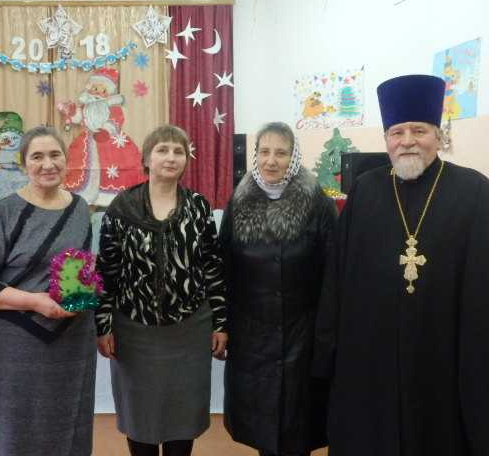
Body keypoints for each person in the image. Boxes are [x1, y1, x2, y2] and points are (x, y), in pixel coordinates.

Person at [313, 74, 489, 456]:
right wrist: (327, 351)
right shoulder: (365, 190)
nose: (407, 140)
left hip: (442, 356)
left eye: (419, 130)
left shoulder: (475, 191)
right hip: (370, 359)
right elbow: (337, 278)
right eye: (397, 132)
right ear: (386, 140)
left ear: (438, 136)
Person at [95, 124, 227, 456]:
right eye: (162, 150)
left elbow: (212, 266)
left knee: (183, 417)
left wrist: (221, 322)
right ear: (146, 158)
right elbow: (107, 270)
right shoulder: (121, 207)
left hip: (190, 330)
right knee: (140, 416)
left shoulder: (198, 206)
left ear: (186, 159)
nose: (171, 157)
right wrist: (103, 325)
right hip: (133, 331)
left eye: (178, 151)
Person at [0, 126, 96, 456]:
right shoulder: (4, 211)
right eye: (37, 156)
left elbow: (78, 270)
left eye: (55, 155)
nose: (47, 164)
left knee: (71, 431)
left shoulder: (80, 208)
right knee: (18, 435)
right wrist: (35, 302)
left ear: (66, 160)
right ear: (24, 164)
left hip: (73, 342)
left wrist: (80, 296)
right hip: (17, 344)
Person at [220, 122, 336, 456]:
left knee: (298, 428)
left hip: (303, 334)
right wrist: (222, 323)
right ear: (255, 155)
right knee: (263, 428)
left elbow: (333, 272)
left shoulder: (317, 202)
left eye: (281, 153)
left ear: (293, 157)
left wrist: (328, 333)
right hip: (252, 336)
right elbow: (224, 267)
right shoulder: (239, 202)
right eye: (264, 152)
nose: (271, 160)